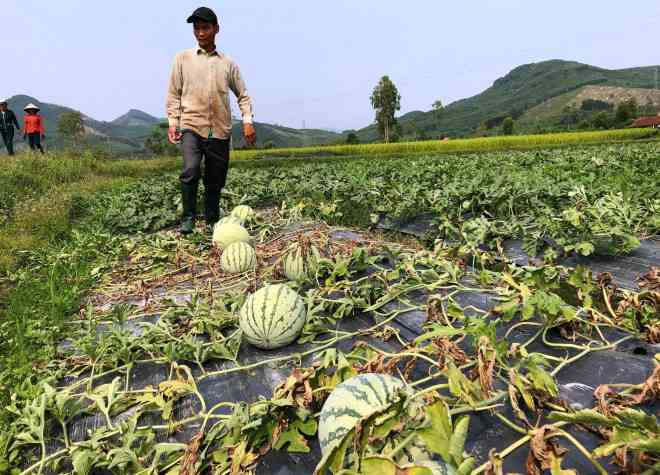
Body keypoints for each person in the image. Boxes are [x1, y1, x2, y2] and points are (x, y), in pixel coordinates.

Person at [166, 6, 257, 235]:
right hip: (191, 126)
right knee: (190, 169)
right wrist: (173, 123)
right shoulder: (182, 59)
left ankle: (212, 220)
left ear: (216, 29)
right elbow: (174, 93)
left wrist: (247, 121)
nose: (200, 33)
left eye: (205, 28)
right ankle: (188, 218)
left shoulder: (228, 64)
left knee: (215, 178)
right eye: (196, 28)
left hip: (219, 130)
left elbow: (243, 95)